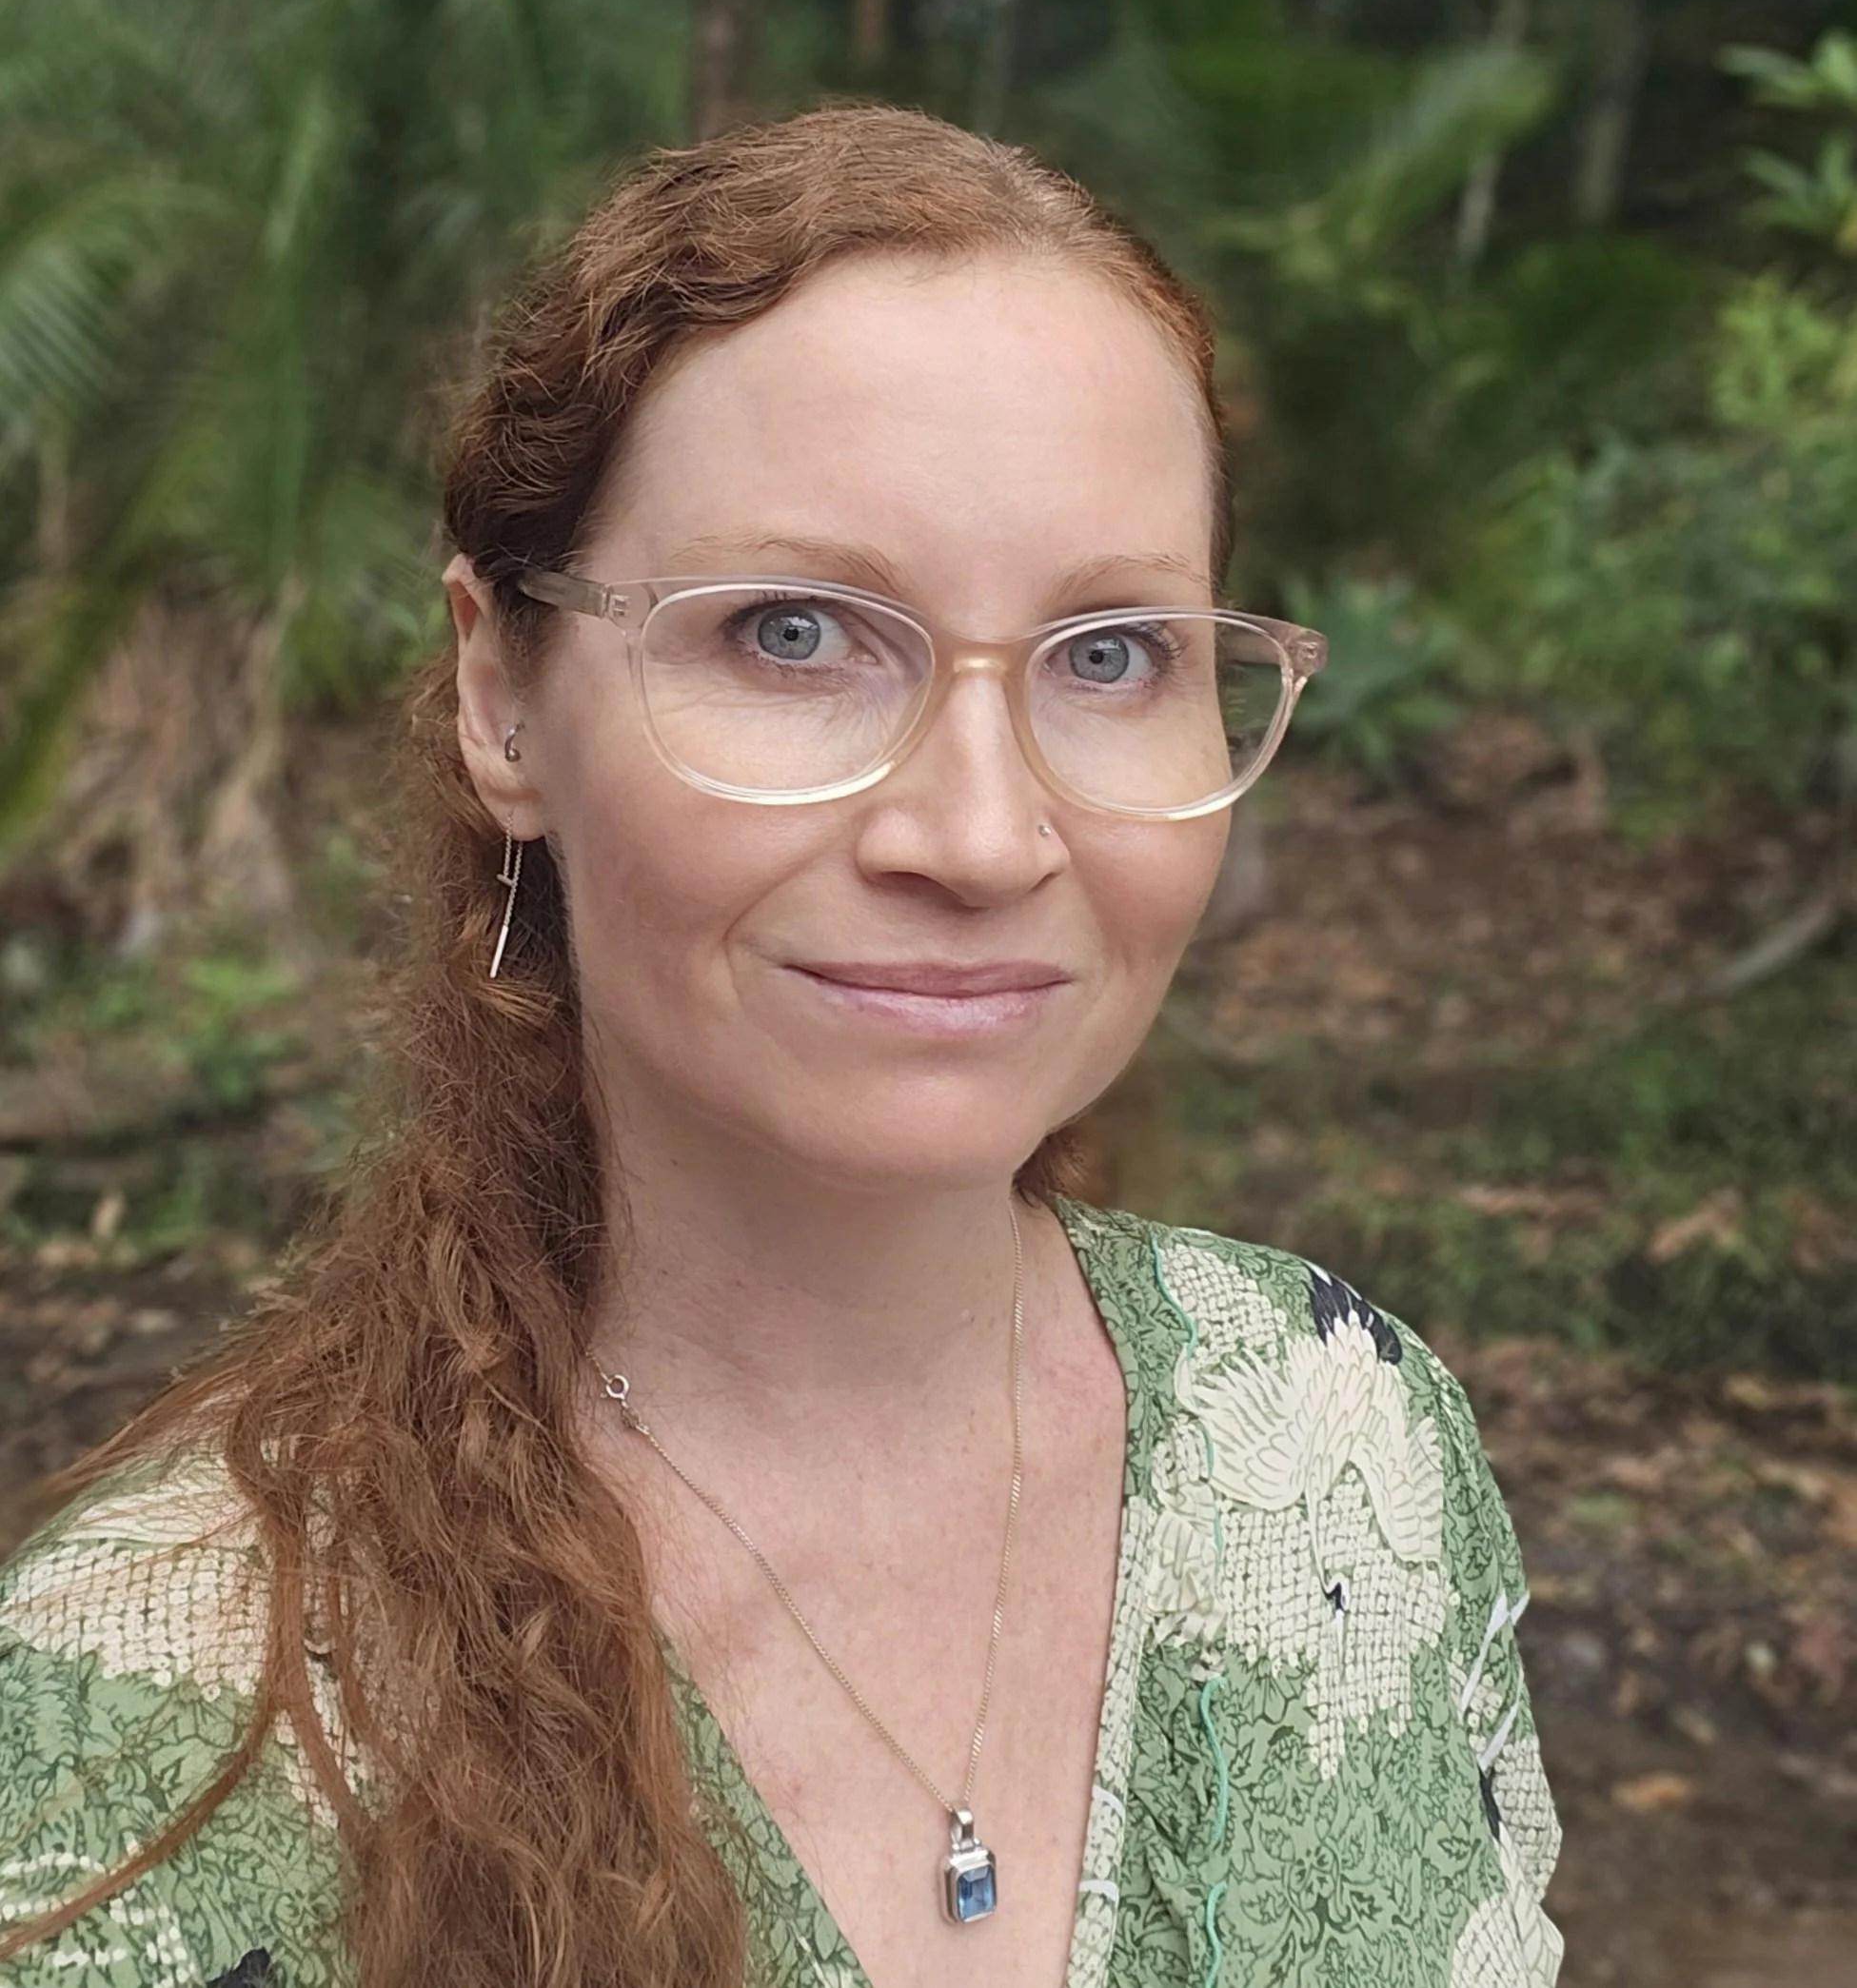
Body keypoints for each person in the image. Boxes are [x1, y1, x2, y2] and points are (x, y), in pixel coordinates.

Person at [0, 108, 1561, 1988]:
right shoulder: (165, 1718)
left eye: (1109, 654)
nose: (983, 840)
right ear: (504, 697)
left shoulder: (1348, 1444)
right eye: (798, 631)